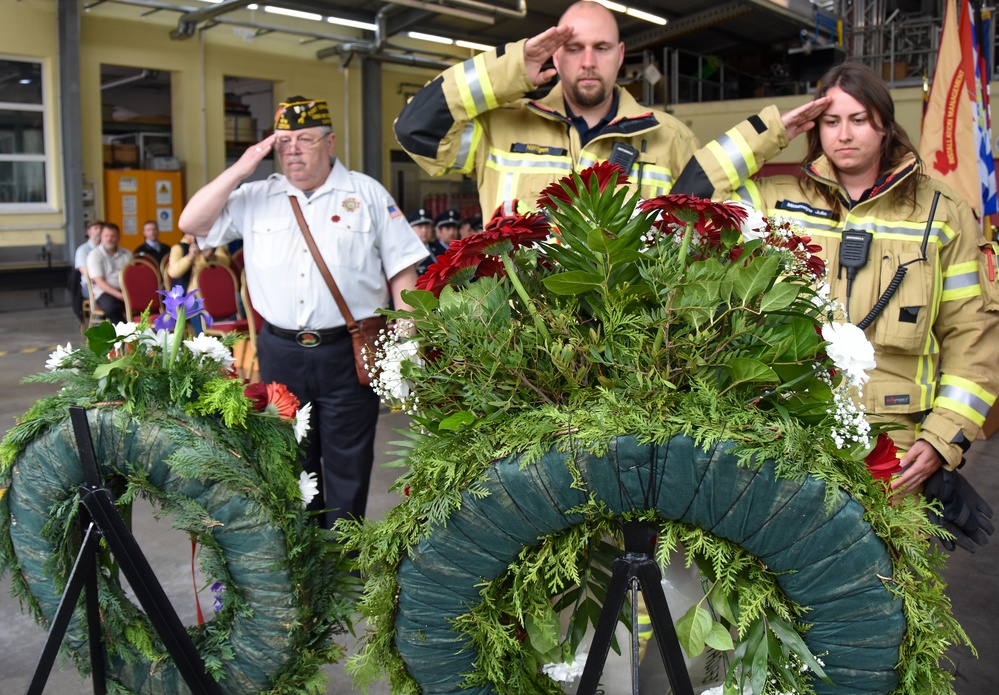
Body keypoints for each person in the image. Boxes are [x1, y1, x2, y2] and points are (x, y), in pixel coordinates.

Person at [681, 61, 999, 548]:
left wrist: (942, 441)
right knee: (786, 580)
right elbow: (688, 196)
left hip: (894, 446)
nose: (844, 134)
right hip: (789, 431)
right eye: (831, 121)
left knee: (884, 590)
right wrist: (773, 131)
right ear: (815, 127)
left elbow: (971, 336)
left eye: (859, 119)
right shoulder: (775, 200)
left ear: (886, 126)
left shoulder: (943, 211)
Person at [177, 95, 427, 528]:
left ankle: (345, 559)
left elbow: (403, 269)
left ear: (329, 143)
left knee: (348, 462)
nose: (293, 148)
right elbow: (191, 223)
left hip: (349, 353)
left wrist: (407, 336)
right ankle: (307, 559)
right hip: (280, 352)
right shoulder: (256, 196)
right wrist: (242, 167)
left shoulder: (365, 193)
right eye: (284, 140)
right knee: (292, 460)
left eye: (305, 139)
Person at [394, 0, 700, 217]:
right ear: (555, 55)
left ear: (620, 55)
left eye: (602, 48)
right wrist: (509, 69)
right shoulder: (499, 129)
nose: (588, 62)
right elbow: (415, 129)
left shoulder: (672, 139)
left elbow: (701, 235)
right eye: (574, 48)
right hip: (516, 310)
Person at [86, 222, 132, 324]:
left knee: (148, 302)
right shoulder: (94, 255)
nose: (109, 239)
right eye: (106, 236)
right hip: (104, 291)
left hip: (126, 289)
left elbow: (133, 276)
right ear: (101, 237)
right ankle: (126, 334)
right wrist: (120, 295)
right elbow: (99, 282)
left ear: (118, 237)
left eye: (112, 236)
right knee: (112, 308)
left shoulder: (127, 254)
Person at [72, 221, 103, 323]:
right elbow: (85, 271)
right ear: (88, 232)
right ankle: (97, 328)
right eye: (96, 228)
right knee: (100, 297)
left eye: (101, 228)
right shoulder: (83, 250)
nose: (99, 231)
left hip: (107, 282)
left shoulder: (106, 249)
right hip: (89, 285)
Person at [410, 207, 446, 276]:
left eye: (427, 226)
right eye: (420, 227)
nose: (424, 230)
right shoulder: (407, 253)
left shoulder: (439, 249)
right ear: (411, 229)